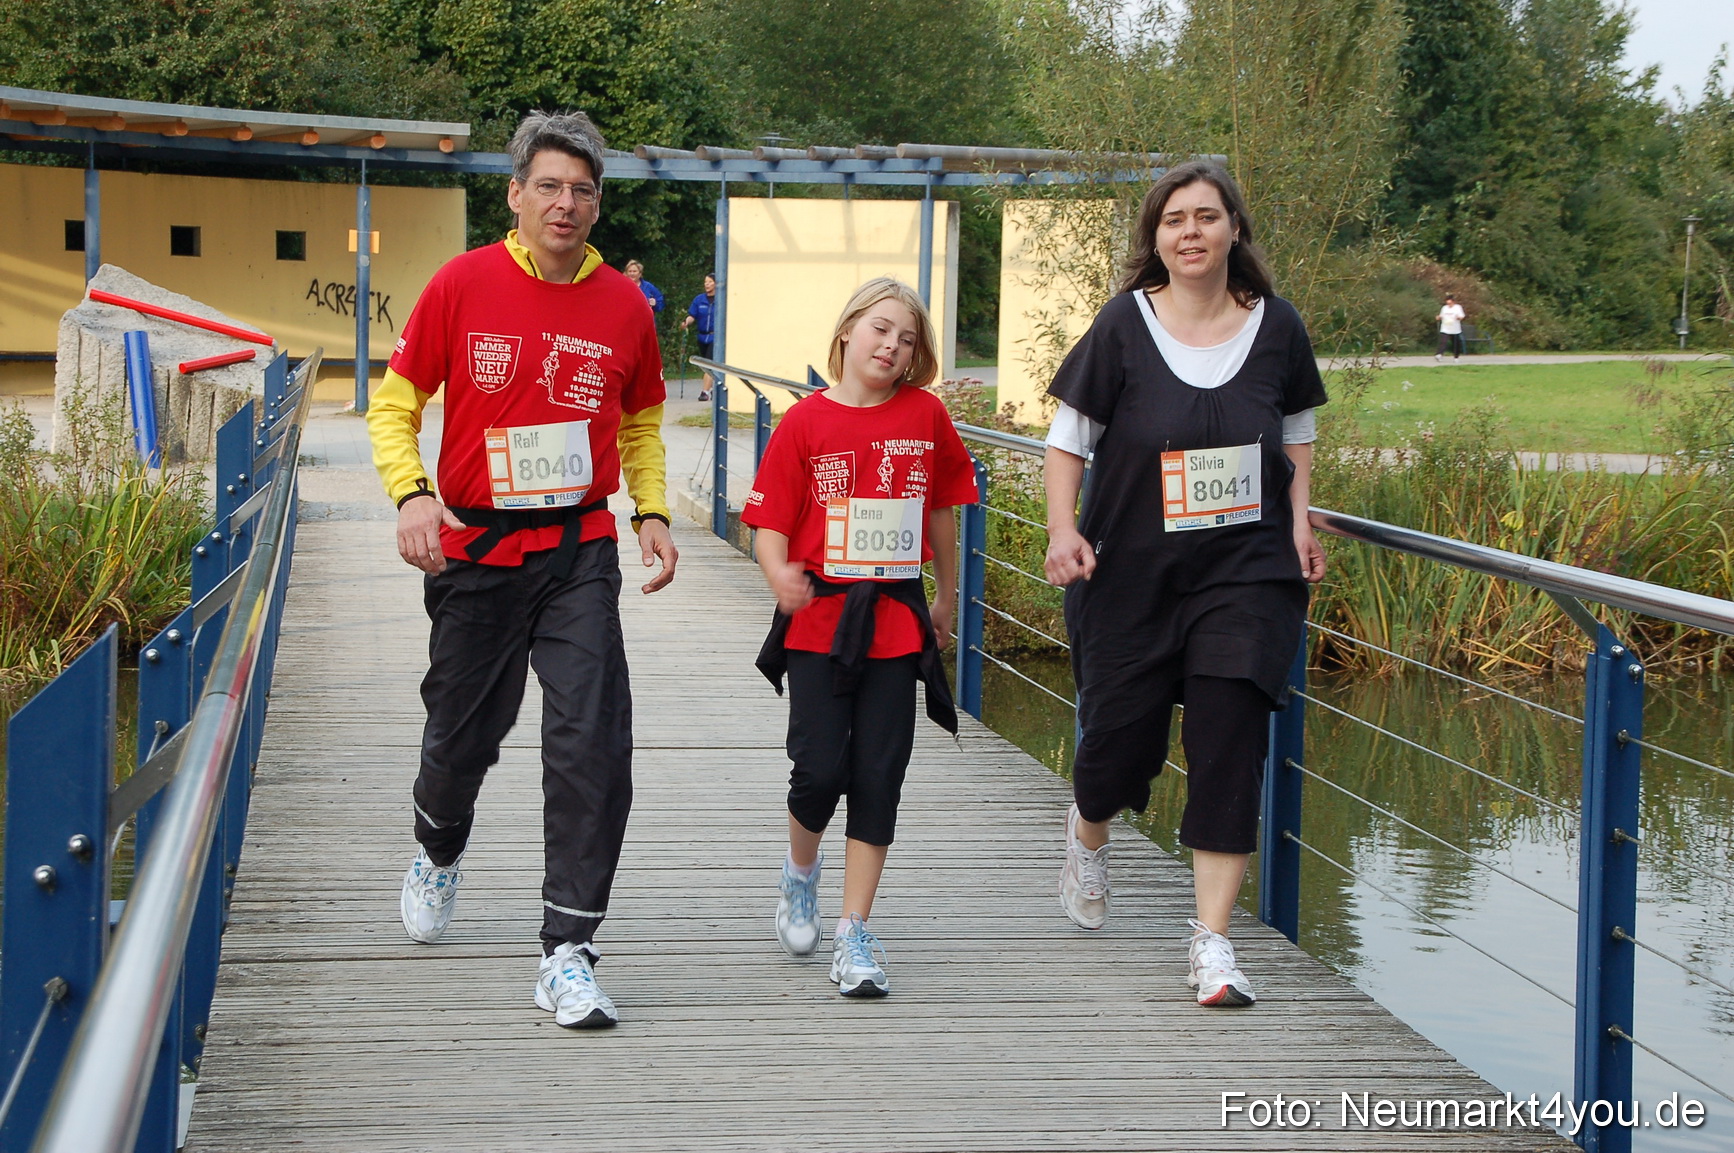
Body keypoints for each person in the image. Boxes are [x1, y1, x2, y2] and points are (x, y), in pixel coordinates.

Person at [366, 110, 679, 1031]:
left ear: (597, 204)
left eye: (582, 189)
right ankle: (438, 845)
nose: (565, 203)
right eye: (548, 186)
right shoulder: (461, 284)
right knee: (462, 735)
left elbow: (642, 422)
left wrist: (651, 510)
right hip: (475, 548)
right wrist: (412, 494)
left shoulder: (625, 305)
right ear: (514, 193)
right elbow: (395, 403)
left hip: (579, 549)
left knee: (592, 737)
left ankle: (567, 949)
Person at [1042, 160, 1327, 1007]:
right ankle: (1089, 826)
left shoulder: (1277, 325)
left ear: (1235, 227)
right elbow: (1068, 439)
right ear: (1156, 236)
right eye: (1174, 219)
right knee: (1118, 750)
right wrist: (1062, 530)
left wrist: (1300, 519)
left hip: (1246, 572)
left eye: (1206, 215)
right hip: (1130, 572)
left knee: (1228, 742)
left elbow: (1297, 430)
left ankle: (1213, 942)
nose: (1191, 231)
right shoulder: (1123, 324)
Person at [742, 277, 977, 997]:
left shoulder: (925, 414)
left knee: (879, 773)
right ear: (848, 330)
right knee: (818, 769)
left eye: (907, 339)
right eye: (880, 329)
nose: (891, 346)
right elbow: (769, 523)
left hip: (896, 622)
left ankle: (854, 930)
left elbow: (942, 508)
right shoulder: (804, 422)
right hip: (820, 618)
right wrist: (778, 573)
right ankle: (800, 874)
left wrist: (945, 595)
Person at [681, 273, 717, 400]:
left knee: (709, 363)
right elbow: (692, 315)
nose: (707, 284)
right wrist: (686, 322)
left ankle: (704, 392)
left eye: (710, 282)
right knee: (705, 364)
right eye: (705, 282)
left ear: (716, 284)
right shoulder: (699, 299)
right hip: (702, 337)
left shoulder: (721, 299)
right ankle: (712, 388)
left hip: (715, 337)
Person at [1436, 294, 1466, 361]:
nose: (1449, 305)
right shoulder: (1444, 308)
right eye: (1447, 303)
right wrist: (1439, 317)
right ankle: (1439, 354)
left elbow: (1462, 316)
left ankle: (1456, 357)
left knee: (1456, 344)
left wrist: (1458, 318)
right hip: (1445, 328)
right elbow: (1441, 316)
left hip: (1455, 329)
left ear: (1453, 302)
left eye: (1450, 303)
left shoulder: (1458, 307)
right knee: (1443, 341)